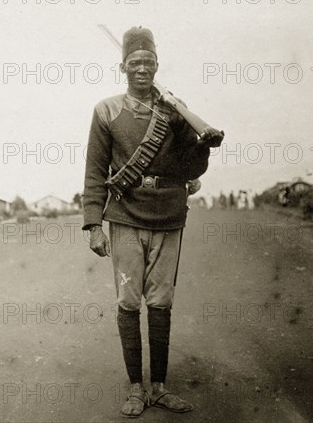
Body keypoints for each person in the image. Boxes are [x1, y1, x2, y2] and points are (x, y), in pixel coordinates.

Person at [82, 26, 223, 417]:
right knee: (128, 303)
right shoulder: (106, 110)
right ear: (122, 67)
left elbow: (191, 166)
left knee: (161, 302)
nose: (141, 69)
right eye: (134, 63)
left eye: (148, 62)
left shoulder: (174, 112)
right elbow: (95, 171)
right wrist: (94, 223)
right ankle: (134, 387)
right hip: (126, 215)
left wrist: (202, 143)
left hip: (169, 215)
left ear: (157, 66)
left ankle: (159, 387)